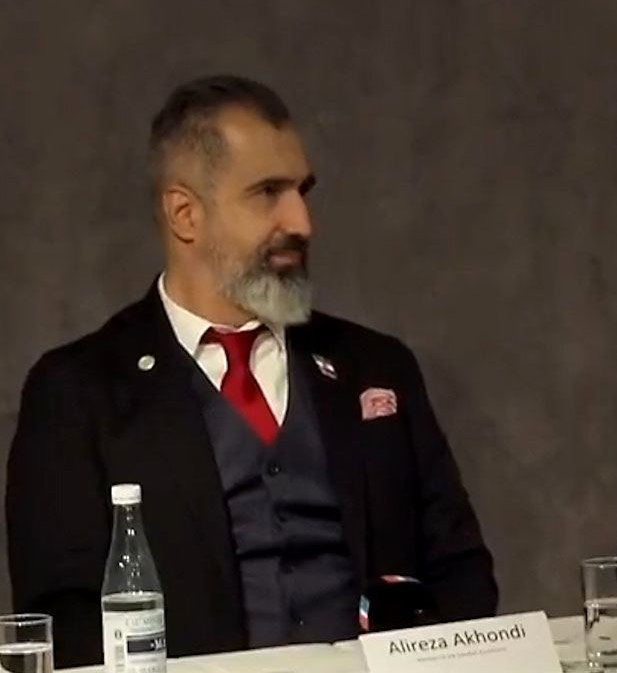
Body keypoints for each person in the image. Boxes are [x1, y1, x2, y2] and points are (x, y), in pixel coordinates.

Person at [6, 75, 497, 666]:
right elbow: (66, 621)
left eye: (303, 192)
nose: (301, 222)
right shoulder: (78, 393)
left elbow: (461, 575)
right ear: (185, 214)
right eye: (268, 193)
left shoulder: (378, 365)